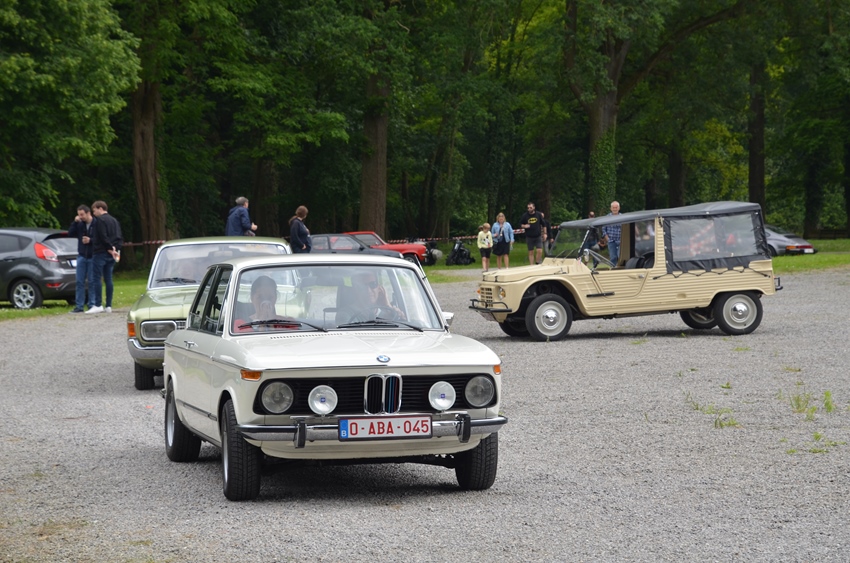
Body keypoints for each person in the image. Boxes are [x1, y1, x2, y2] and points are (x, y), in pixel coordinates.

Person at [87, 200, 123, 314]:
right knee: (108, 279)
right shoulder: (114, 221)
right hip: (112, 254)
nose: (94, 214)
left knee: (96, 278)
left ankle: (98, 304)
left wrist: (109, 248)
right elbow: (119, 237)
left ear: (100, 208)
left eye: (94, 211)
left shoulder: (100, 221)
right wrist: (115, 249)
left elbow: (102, 236)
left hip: (100, 252)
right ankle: (108, 305)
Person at [340, 271, 404, 322]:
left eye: (373, 284)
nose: (368, 290)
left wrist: (387, 306)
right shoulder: (346, 315)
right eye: (362, 286)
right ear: (355, 290)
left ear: (379, 288)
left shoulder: (386, 312)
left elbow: (404, 326)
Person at [67, 205, 95, 313]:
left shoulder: (96, 224)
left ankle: (92, 304)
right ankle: (79, 306)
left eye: (82, 214)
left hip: (93, 256)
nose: (81, 217)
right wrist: (74, 222)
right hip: (82, 255)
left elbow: (101, 238)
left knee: (92, 281)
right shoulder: (80, 225)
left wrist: (90, 240)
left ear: (88, 213)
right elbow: (70, 234)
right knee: (79, 281)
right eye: (79, 215)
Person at [601, 201, 622, 265]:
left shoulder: (623, 217)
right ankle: (613, 268)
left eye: (616, 207)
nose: (615, 209)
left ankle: (621, 269)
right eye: (613, 207)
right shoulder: (607, 218)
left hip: (621, 241)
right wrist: (607, 239)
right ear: (610, 208)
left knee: (621, 257)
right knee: (613, 257)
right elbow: (604, 229)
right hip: (611, 241)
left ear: (619, 208)